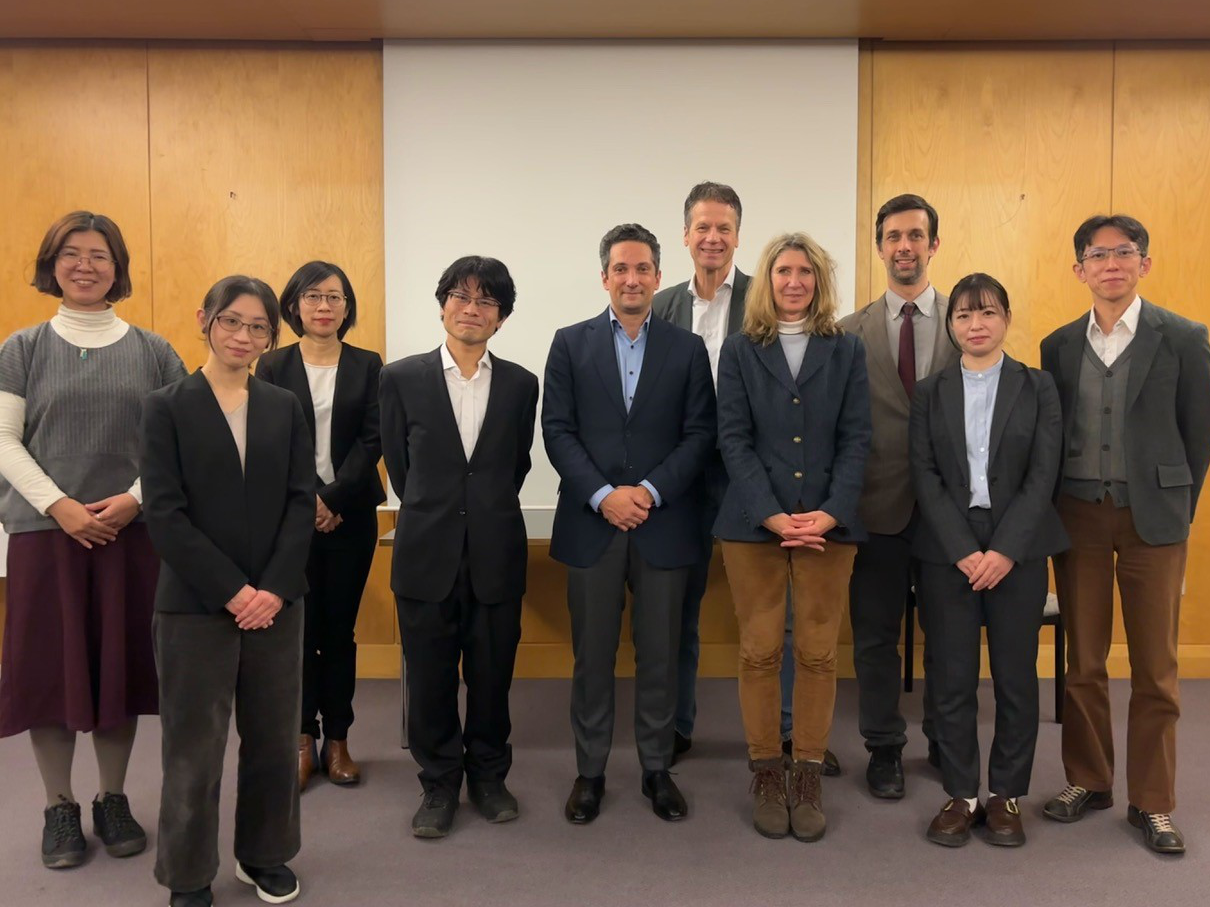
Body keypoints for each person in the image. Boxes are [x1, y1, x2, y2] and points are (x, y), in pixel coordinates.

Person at [0, 211, 186, 870]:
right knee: (48, 671)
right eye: (71, 253)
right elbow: (3, 440)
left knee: (119, 670)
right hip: (44, 536)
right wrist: (60, 506)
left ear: (118, 267)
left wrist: (135, 498)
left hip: (129, 536)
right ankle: (59, 805)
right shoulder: (22, 348)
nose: (85, 265)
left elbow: (176, 441)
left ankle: (112, 797)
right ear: (52, 265)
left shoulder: (154, 351)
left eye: (99, 254)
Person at [140, 275, 314, 907]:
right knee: (194, 749)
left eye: (259, 327)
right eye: (232, 321)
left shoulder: (283, 406)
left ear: (271, 336)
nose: (244, 336)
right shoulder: (166, 406)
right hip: (194, 606)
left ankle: (264, 854)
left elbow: (301, 503)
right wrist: (233, 592)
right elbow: (164, 513)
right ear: (205, 320)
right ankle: (188, 873)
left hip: (276, 604)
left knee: (273, 740)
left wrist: (272, 589)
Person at [1040, 215, 1210, 854]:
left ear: (1144, 263)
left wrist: (1176, 510)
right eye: (1097, 254)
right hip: (1078, 514)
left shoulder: (1185, 338)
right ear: (1079, 269)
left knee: (1155, 667)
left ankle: (1153, 800)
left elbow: (1199, 435)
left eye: (1124, 252)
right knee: (1083, 659)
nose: (1110, 264)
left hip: (1153, 519)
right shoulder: (1058, 346)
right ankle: (1089, 780)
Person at [543, 223, 715, 825]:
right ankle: (589, 773)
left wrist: (646, 492)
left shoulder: (687, 349)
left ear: (658, 276)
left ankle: (656, 769)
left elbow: (700, 434)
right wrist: (602, 496)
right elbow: (557, 431)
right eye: (621, 268)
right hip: (592, 525)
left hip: (663, 523)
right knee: (592, 658)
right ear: (605, 277)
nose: (632, 278)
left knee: (660, 655)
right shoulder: (569, 343)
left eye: (643, 268)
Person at [714, 232, 870, 841]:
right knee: (758, 652)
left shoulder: (847, 349)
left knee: (818, 653)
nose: (795, 281)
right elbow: (733, 439)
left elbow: (857, 437)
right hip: (754, 525)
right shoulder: (739, 350)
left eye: (806, 271)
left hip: (828, 527)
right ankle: (766, 775)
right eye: (784, 271)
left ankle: (806, 774)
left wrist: (830, 513)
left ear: (819, 281)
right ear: (768, 279)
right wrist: (772, 514)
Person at [379, 256, 538, 838]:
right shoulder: (400, 378)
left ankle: (490, 777)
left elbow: (516, 464)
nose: (472, 309)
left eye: (486, 301)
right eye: (461, 296)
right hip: (426, 553)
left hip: (496, 552)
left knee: (493, 677)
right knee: (430, 679)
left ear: (502, 317)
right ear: (443, 305)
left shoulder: (521, 384)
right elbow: (401, 468)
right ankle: (440, 784)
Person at [909, 273, 1068, 847]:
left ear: (1006, 319)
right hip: (947, 550)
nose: (975, 325)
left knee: (1015, 679)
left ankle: (1005, 795)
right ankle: (962, 794)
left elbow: (1043, 474)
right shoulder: (929, 392)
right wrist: (963, 550)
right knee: (951, 678)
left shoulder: (1038, 386)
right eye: (963, 315)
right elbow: (924, 475)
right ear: (951, 325)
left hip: (1017, 547)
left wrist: (1003, 550)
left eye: (988, 313)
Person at [838, 193, 957, 799]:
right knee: (875, 638)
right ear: (880, 246)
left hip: (950, 515)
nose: (904, 247)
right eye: (893, 236)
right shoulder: (847, 333)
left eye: (915, 235)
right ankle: (883, 748)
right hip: (875, 508)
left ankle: (945, 739)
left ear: (933, 244)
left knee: (948, 636)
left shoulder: (968, 321)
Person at [256, 261, 385, 790]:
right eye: (312, 296)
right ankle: (301, 738)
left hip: (351, 516)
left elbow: (374, 438)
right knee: (298, 631)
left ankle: (339, 740)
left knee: (339, 631)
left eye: (335, 297)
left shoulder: (368, 364)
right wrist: (311, 498)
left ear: (347, 307)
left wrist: (332, 498)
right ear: (294, 306)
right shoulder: (272, 365)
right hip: (291, 518)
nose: (324, 306)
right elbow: (270, 439)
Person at [652, 181, 748, 761]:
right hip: (680, 479)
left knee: (766, 616)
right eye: (703, 227)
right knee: (678, 612)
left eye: (724, 228)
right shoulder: (660, 305)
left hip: (747, 478)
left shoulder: (764, 300)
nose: (713, 237)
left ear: (738, 236)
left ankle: (784, 733)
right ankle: (675, 726)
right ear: (685, 235)